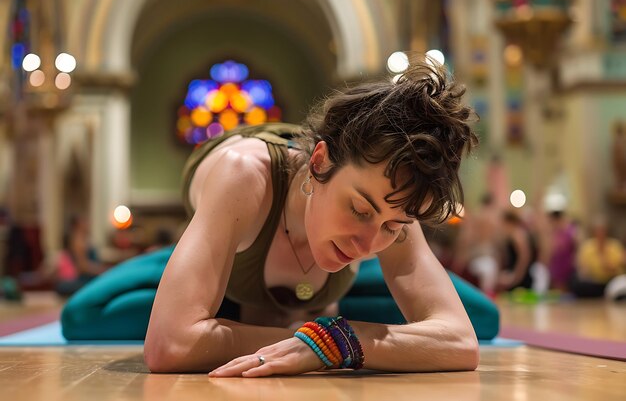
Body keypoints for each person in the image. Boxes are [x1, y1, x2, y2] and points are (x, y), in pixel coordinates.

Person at [63, 58, 487, 375]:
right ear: (319, 163)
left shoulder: (390, 198)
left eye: (393, 227)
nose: (368, 243)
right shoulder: (243, 177)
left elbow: (461, 341)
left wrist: (335, 340)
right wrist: (319, 339)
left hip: (321, 294)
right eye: (359, 210)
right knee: (85, 314)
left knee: (484, 317)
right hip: (230, 260)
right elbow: (169, 346)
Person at [571, 217, 626, 298]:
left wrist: (607, 264)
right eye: (598, 230)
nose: (600, 233)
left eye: (602, 230)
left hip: (610, 281)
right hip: (594, 282)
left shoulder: (614, 246)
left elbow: (617, 267)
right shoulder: (588, 247)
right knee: (576, 283)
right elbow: (582, 268)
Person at [498, 211, 537, 291]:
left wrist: (515, 278)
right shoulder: (512, 235)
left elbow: (524, 258)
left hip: (522, 277)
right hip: (516, 273)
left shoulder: (517, 235)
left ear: (509, 222)